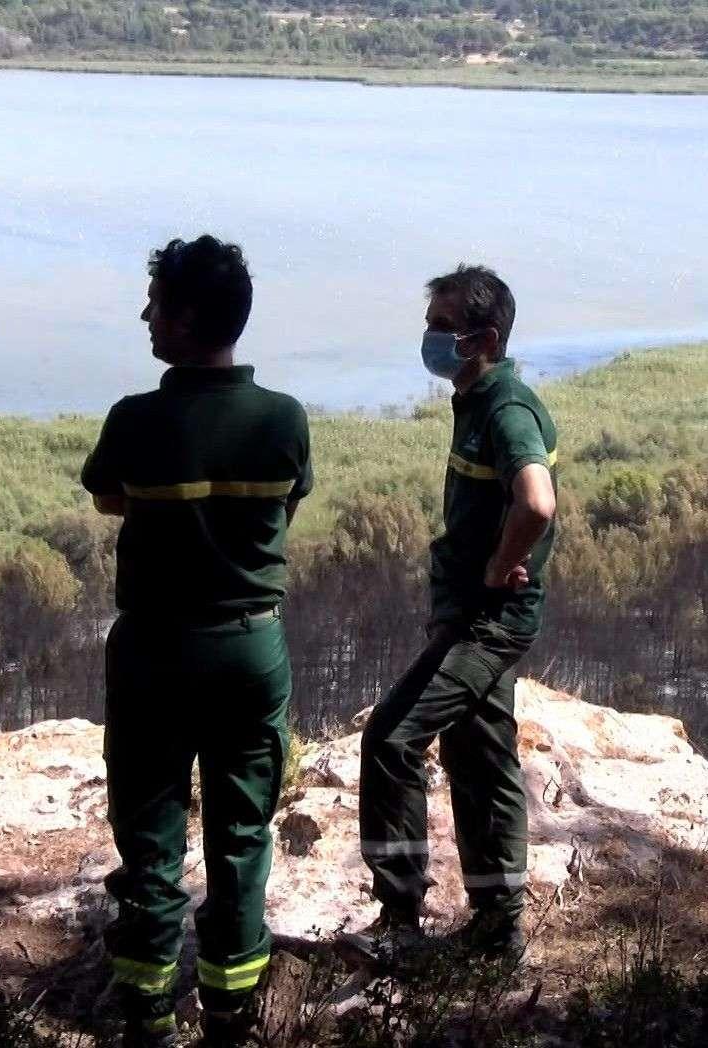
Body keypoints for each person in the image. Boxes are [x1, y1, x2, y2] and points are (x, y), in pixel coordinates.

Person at [82, 236, 312, 1048]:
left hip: (155, 653)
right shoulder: (283, 418)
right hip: (250, 651)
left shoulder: (136, 419)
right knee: (242, 836)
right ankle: (229, 1014)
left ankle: (146, 1015)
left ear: (183, 323)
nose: (144, 315)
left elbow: (111, 496)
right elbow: (281, 510)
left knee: (149, 836)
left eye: (155, 304)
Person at [347, 265, 558, 965]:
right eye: (431, 323)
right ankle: (498, 932)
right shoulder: (477, 400)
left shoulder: (505, 406)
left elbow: (536, 501)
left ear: (483, 338)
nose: (430, 338)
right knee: (480, 755)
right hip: (473, 611)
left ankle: (398, 917)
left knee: (391, 738)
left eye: (442, 326)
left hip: (488, 620)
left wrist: (499, 568)